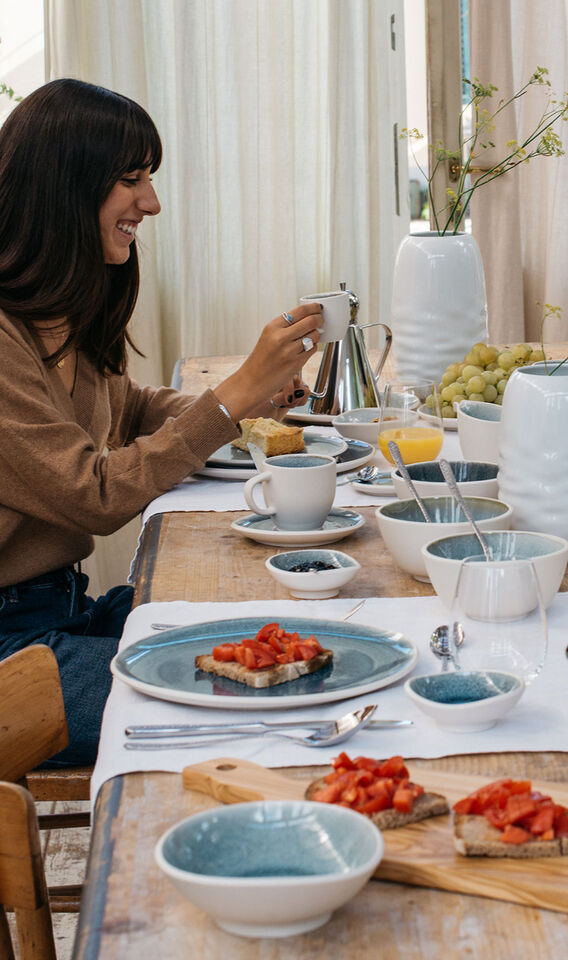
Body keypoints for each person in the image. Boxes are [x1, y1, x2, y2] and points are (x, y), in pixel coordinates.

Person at [0, 78, 328, 765]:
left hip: (57, 613)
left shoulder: (55, 313)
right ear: (65, 189)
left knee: (281, 638)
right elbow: (93, 494)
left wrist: (254, 406)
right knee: (248, 709)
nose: (150, 202)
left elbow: (132, 408)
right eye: (130, 179)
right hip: (8, 657)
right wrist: (232, 396)